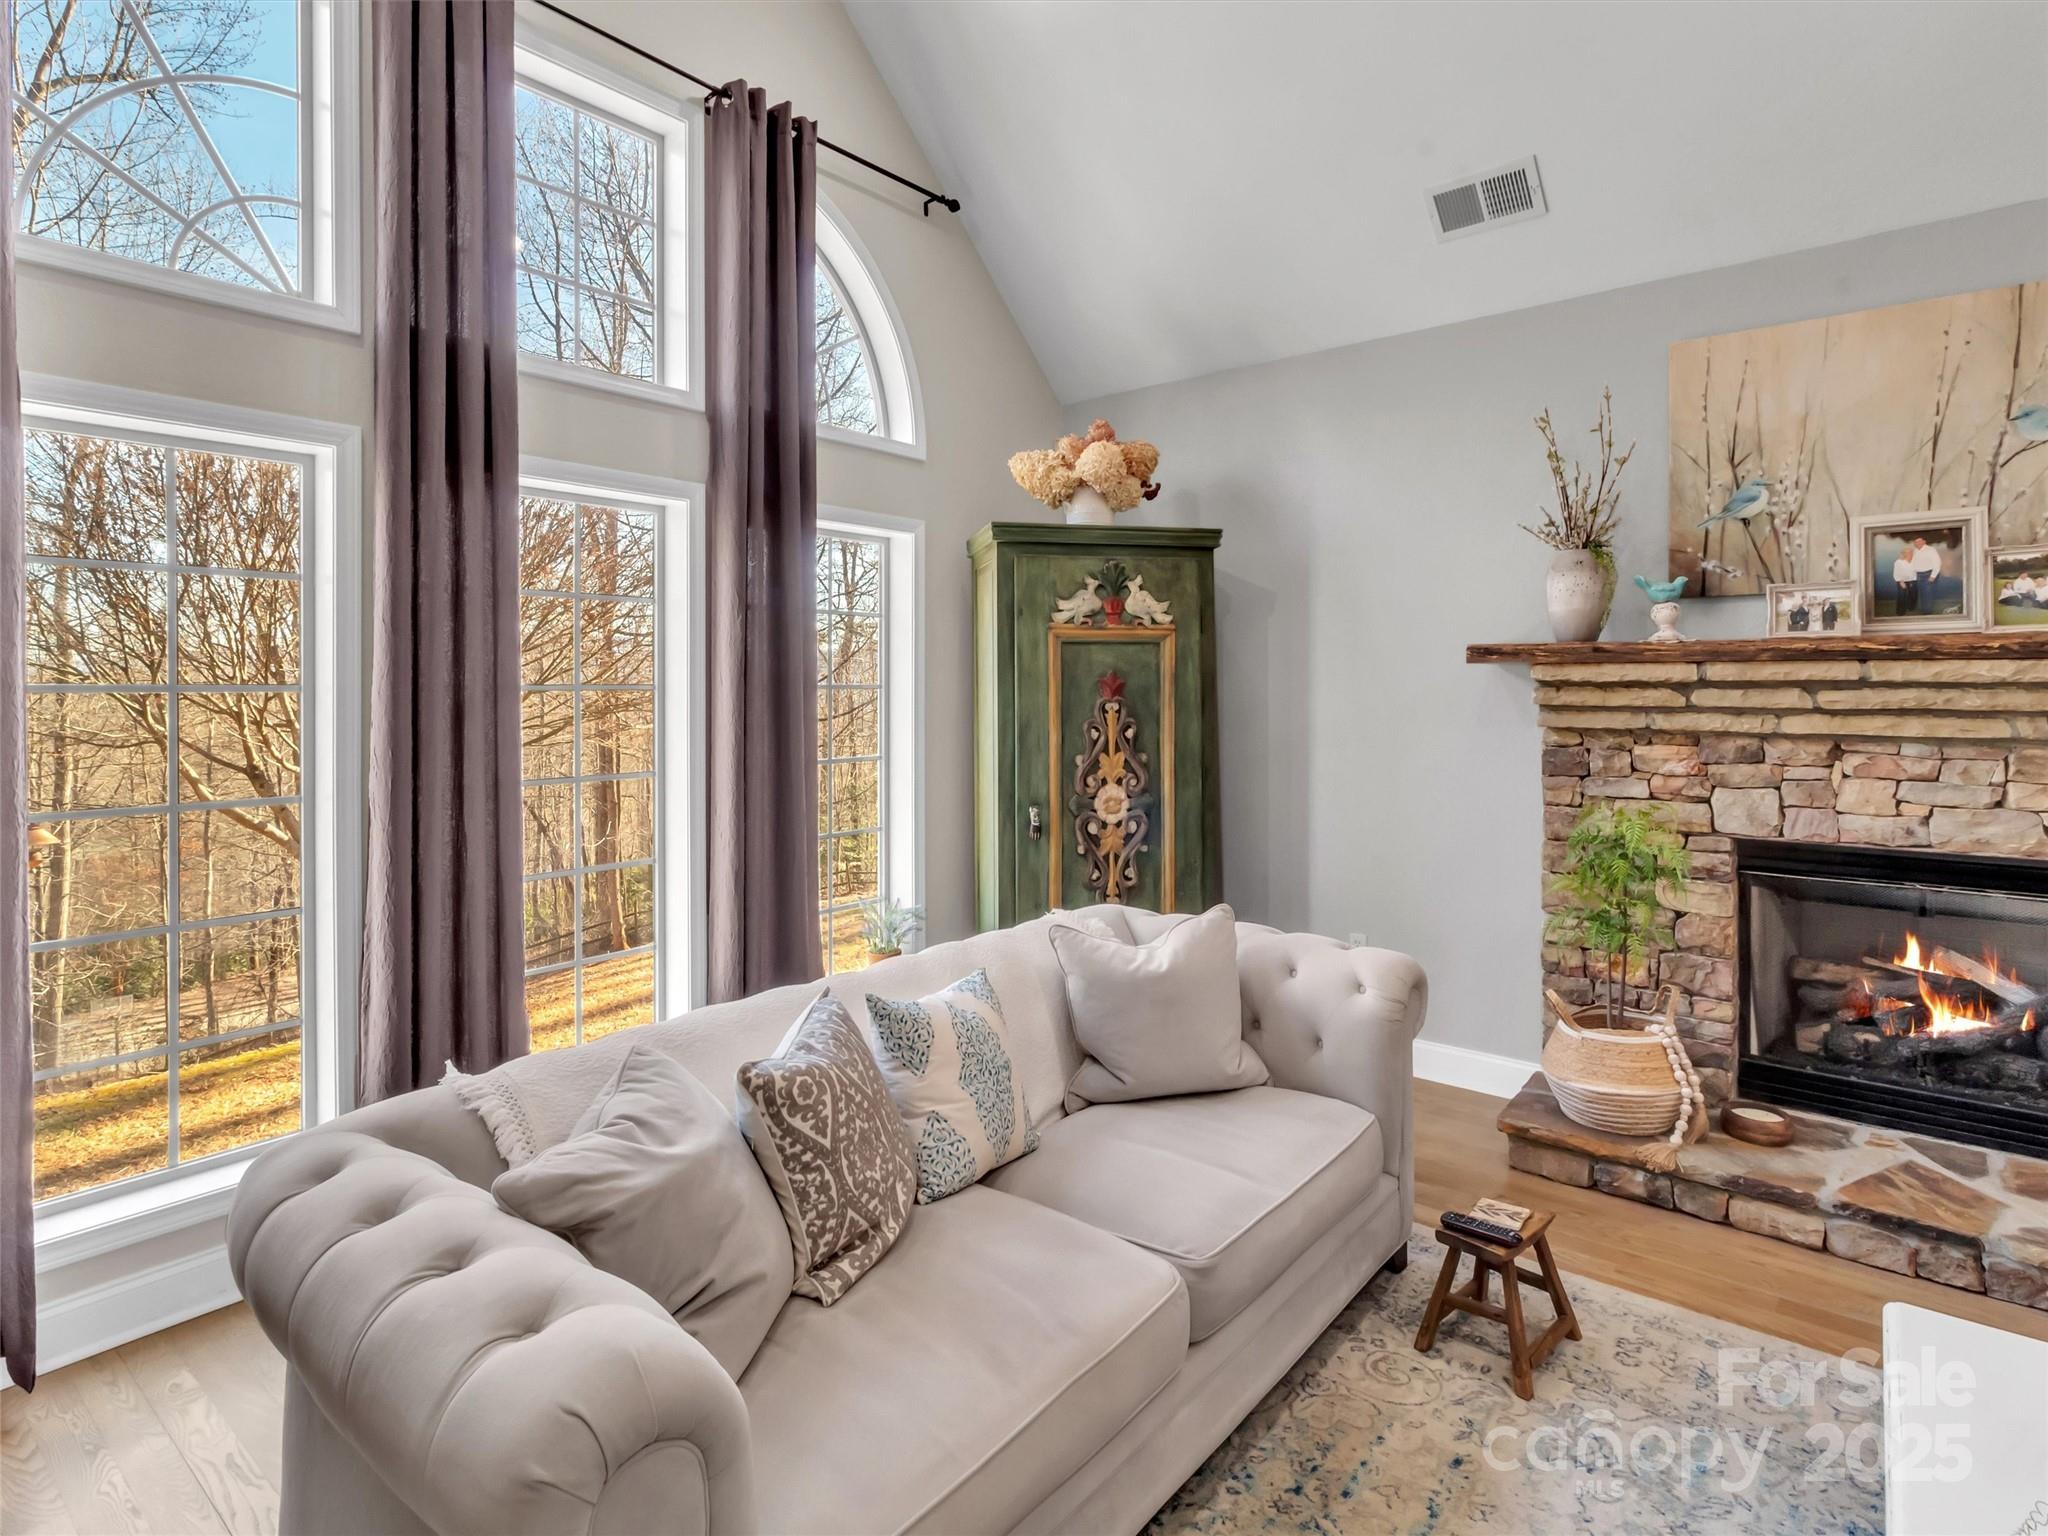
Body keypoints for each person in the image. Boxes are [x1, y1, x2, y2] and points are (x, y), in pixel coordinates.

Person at [1910, 536, 1945, 612]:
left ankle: (1927, 612)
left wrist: (1932, 576)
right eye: (1916, 542)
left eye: (1919, 541)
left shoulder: (1930, 550)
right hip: (1918, 575)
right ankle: (1923, 609)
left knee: (1928, 594)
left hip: (1927, 575)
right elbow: (1913, 563)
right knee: (1922, 593)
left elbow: (1937, 563)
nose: (1917, 543)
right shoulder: (1915, 550)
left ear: (1924, 542)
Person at [1892, 547, 1920, 614]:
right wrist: (1901, 582)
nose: (1909, 554)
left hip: (1913, 580)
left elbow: (1917, 570)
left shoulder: (1915, 561)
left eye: (1910, 552)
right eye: (1907, 553)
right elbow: (1896, 573)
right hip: (1902, 581)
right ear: (1904, 554)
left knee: (1913, 595)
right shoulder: (1898, 562)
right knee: (1902, 596)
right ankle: (1900, 611)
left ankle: (1911, 608)